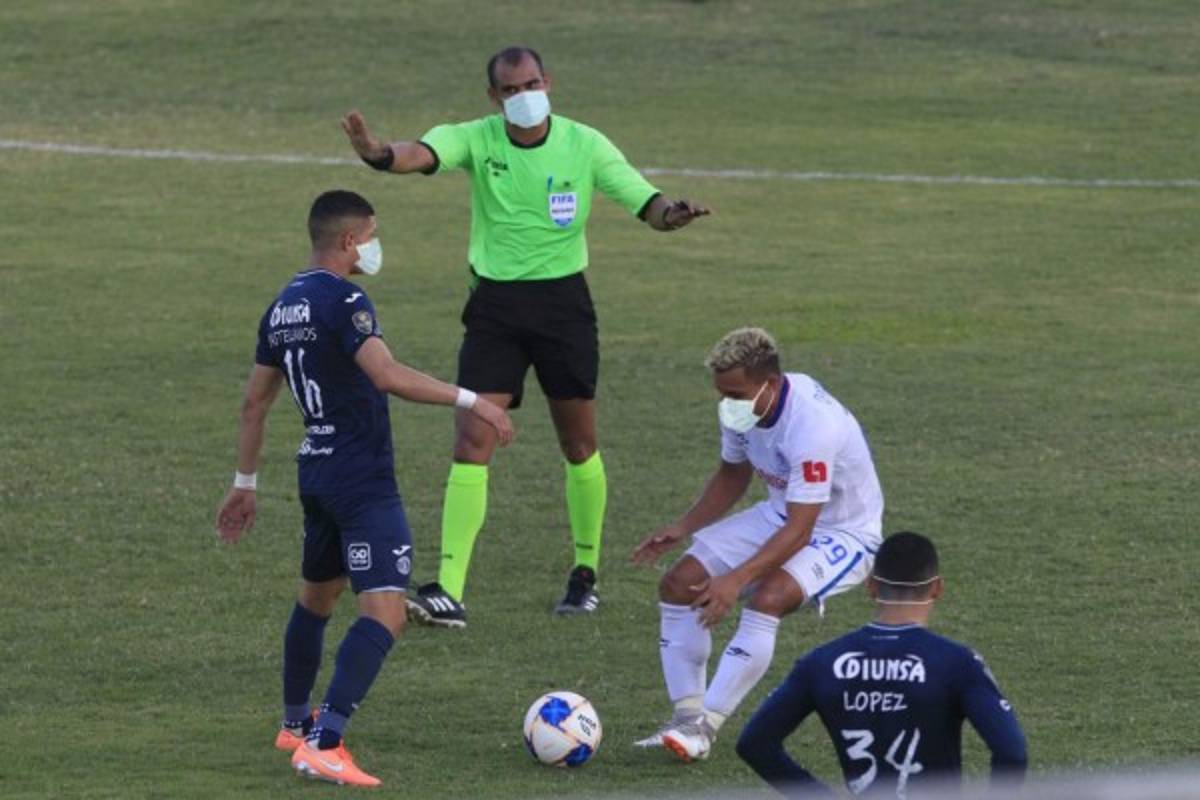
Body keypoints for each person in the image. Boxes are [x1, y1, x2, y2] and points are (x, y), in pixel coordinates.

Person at [341, 45, 710, 626]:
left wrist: (675, 215)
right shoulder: (478, 138)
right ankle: (449, 589)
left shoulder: (585, 144)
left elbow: (647, 203)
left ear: (549, 83)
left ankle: (585, 574)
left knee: (578, 445)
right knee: (470, 443)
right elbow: (421, 153)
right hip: (495, 310)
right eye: (510, 90)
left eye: (531, 84)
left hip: (565, 308)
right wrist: (379, 155)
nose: (523, 96)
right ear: (494, 98)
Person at [213, 190, 513, 786]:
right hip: (361, 478)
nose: (375, 245)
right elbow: (386, 374)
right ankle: (326, 742)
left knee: (316, 600)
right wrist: (474, 400)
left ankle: (295, 723)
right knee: (386, 611)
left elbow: (254, 402)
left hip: (316, 470)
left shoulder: (282, 306)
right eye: (372, 234)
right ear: (350, 241)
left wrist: (244, 483)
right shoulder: (345, 298)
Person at [631, 327, 884, 763]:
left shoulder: (812, 426)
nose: (726, 403)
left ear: (768, 384)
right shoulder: (742, 409)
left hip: (843, 530)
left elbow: (803, 531)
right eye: (721, 394)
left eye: (734, 393)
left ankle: (706, 727)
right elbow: (733, 474)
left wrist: (735, 580)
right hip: (783, 511)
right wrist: (684, 525)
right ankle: (684, 721)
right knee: (679, 584)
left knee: (767, 597)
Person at [736, 531, 1028, 797]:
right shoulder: (957, 663)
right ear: (937, 588)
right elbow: (1012, 753)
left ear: (872, 587)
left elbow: (755, 744)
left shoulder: (821, 662)